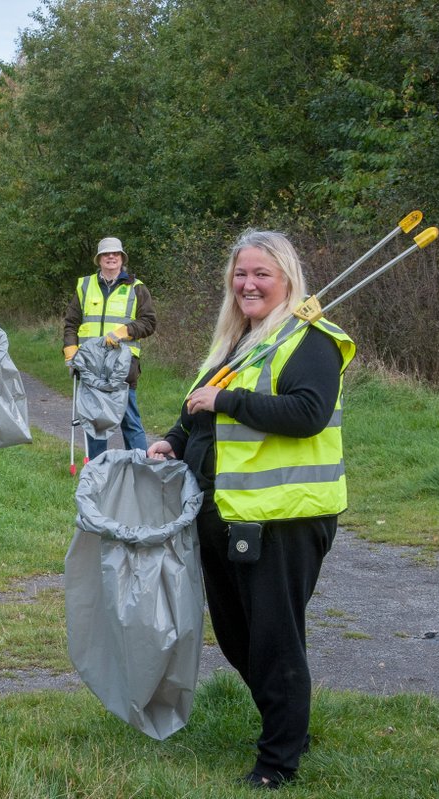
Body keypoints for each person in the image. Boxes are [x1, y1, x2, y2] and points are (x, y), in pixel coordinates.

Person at [146, 230, 354, 790]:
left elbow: (307, 413)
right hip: (227, 513)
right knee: (239, 637)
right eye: (241, 274)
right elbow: (201, 409)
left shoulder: (311, 340)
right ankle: (289, 727)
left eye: (262, 273)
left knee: (273, 641)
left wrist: (228, 399)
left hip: (283, 517)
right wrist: (174, 438)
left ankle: (278, 761)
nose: (249, 284)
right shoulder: (241, 340)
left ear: (287, 278)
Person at [62, 236, 158, 459]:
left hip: (123, 366)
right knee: (95, 420)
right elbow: (71, 323)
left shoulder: (137, 288)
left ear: (122, 258)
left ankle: (139, 466)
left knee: (129, 421)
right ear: (99, 259)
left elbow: (149, 322)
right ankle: (98, 469)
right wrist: (70, 352)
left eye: (115, 253)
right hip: (90, 366)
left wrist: (124, 332)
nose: (111, 257)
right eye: (106, 253)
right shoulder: (85, 286)